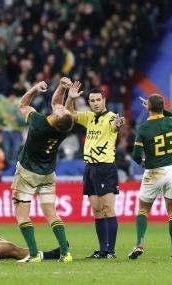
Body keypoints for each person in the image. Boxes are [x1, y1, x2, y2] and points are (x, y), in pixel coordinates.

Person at [12, 79, 74, 263]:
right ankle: (65, 253)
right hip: (48, 174)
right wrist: (62, 88)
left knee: (22, 214)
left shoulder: (39, 122)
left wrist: (34, 89)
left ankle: (32, 254)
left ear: (56, 117)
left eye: (62, 109)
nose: (62, 107)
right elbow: (56, 102)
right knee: (51, 213)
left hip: (27, 173)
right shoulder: (65, 128)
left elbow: (22, 105)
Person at [66, 84, 125, 259]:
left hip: (105, 167)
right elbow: (70, 114)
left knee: (108, 208)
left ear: (104, 100)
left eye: (98, 100)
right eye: (92, 100)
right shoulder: (89, 117)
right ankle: (102, 250)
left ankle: (111, 251)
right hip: (90, 168)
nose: (95, 103)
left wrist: (118, 124)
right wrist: (71, 98)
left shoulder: (111, 117)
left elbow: (116, 125)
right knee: (97, 210)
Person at [128, 95, 172, 260]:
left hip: (153, 172)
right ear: (163, 107)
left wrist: (143, 162)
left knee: (143, 210)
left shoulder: (144, 127)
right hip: (171, 171)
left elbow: (136, 155)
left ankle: (139, 244)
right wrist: (159, 108)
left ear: (148, 108)